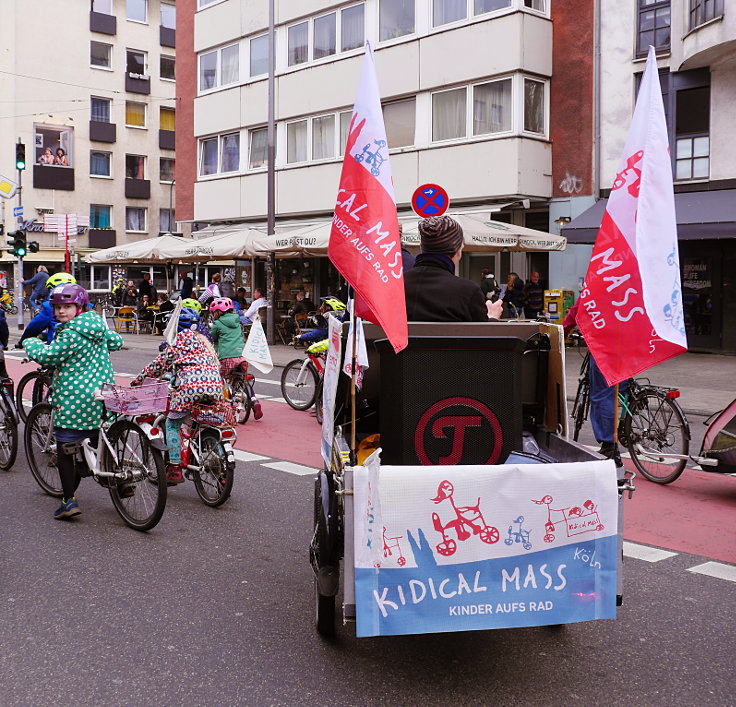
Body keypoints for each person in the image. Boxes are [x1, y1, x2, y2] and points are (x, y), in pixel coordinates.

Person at [23, 283, 124, 519]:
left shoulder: (70, 334)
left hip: (75, 398)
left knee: (66, 446)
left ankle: (68, 501)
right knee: (100, 437)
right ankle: (119, 481)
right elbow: (117, 342)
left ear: (79, 307)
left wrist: (30, 342)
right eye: (57, 307)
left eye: (67, 306)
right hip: (103, 392)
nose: (60, 312)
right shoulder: (98, 327)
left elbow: (48, 356)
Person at [130, 307, 224, 485]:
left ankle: (174, 467)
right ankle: (222, 466)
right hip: (214, 387)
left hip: (189, 389)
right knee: (207, 424)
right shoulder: (204, 342)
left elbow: (156, 366)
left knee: (171, 424)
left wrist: (138, 381)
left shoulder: (178, 344)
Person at [403, 216, 503, 322]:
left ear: (422, 247)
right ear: (458, 250)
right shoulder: (468, 292)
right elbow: (482, 336)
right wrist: (493, 317)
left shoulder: (397, 286)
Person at [563, 301, 622, 464]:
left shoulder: (598, 282)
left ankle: (609, 443)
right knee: (621, 387)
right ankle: (629, 420)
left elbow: (576, 310)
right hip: (626, 343)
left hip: (604, 346)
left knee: (602, 394)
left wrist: (563, 332)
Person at [209, 297, 262, 420]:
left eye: (214, 312)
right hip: (242, 356)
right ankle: (254, 400)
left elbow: (211, 338)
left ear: (218, 312)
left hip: (227, 358)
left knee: (218, 379)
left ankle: (221, 406)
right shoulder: (237, 322)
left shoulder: (217, 324)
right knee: (244, 380)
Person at [16, 272, 77, 347]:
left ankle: (36, 309)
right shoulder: (86, 308)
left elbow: (34, 328)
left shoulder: (49, 307)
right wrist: (44, 335)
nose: (61, 311)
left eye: (67, 307)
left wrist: (22, 342)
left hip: (57, 351)